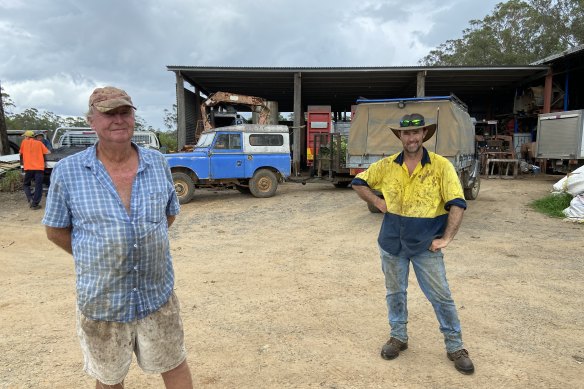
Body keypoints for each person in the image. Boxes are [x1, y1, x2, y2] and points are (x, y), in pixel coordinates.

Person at [42, 86, 193, 388]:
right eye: (108, 113)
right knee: (110, 378)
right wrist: (94, 254)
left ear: (134, 117)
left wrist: (138, 244)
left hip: (156, 294)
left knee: (174, 363)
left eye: (124, 112)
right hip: (103, 300)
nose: (118, 119)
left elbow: (169, 213)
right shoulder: (69, 171)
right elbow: (55, 229)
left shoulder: (157, 163)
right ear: (91, 121)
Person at [351, 112, 475, 375]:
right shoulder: (387, 165)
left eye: (416, 132)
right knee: (395, 293)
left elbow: (457, 203)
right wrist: (377, 201)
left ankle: (455, 346)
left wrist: (447, 239)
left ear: (423, 135)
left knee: (441, 296)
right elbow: (358, 182)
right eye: (406, 133)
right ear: (401, 136)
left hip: (425, 246)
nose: (411, 137)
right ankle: (398, 337)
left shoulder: (441, 166)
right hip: (391, 244)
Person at [19, 129, 50, 210]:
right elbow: (47, 152)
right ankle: (35, 204)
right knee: (38, 186)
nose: (24, 138)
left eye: (25, 136)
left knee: (26, 184)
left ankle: (30, 198)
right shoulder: (39, 143)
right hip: (39, 168)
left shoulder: (24, 142)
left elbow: (20, 153)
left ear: (27, 137)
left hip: (28, 168)